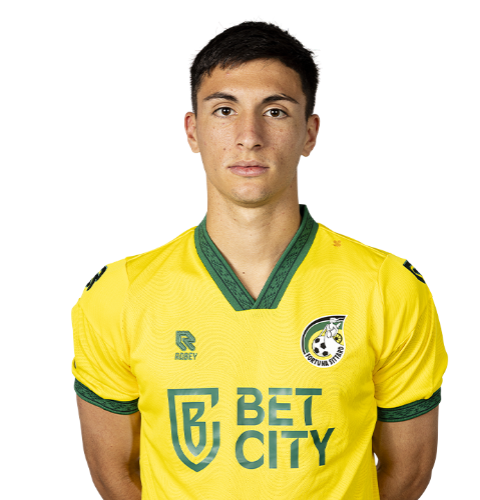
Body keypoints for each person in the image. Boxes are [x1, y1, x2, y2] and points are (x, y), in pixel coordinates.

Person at [71, 18, 448, 500]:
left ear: (310, 132)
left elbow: (406, 474)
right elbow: (116, 476)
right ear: (192, 130)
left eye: (275, 111)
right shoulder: (119, 293)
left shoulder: (388, 287)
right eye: (225, 110)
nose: (248, 135)